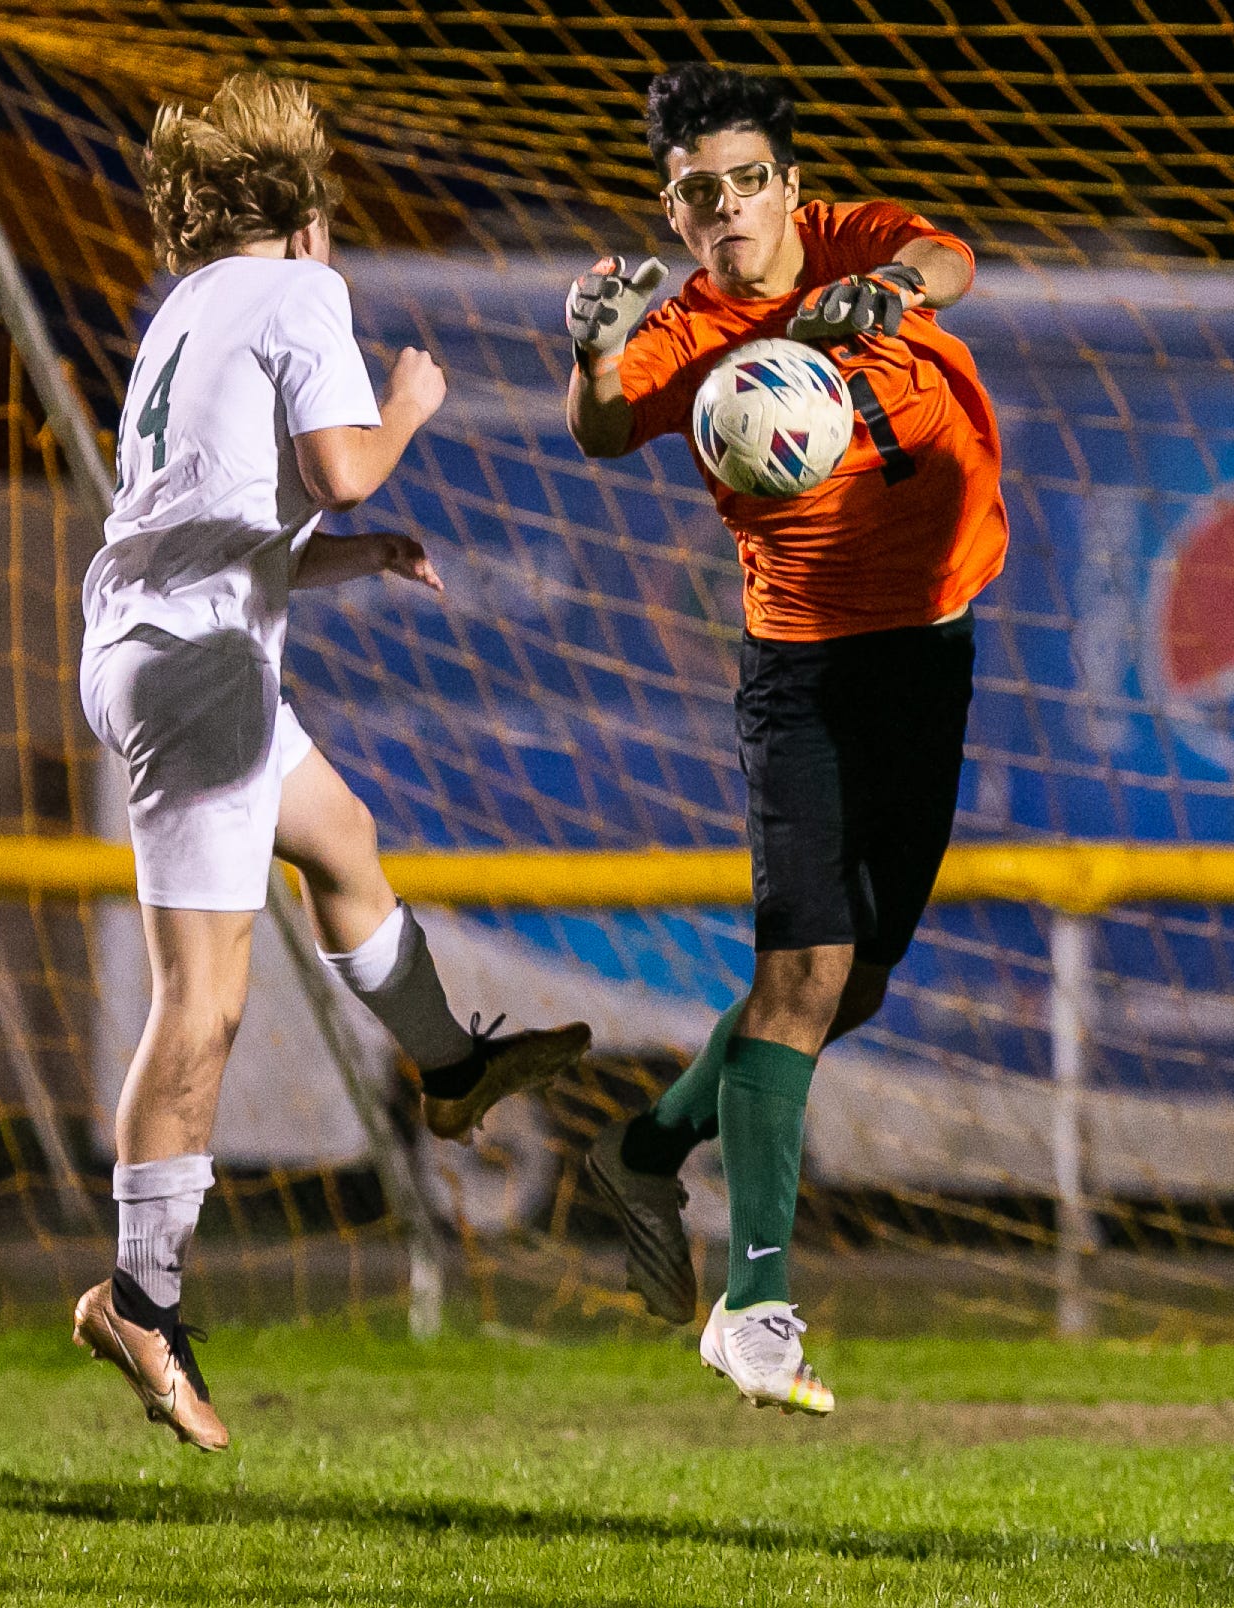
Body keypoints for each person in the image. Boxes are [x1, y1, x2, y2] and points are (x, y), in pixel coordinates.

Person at [71, 71, 589, 1452]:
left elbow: (226, 516)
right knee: (204, 1003)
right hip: (198, 672)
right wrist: (407, 404)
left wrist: (351, 559)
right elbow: (344, 465)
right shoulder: (303, 290)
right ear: (305, 213)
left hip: (157, 647)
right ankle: (140, 1299)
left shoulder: (182, 308)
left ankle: (449, 1067)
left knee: (342, 838)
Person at [562, 63, 1005, 1416]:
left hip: (927, 657)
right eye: (696, 192)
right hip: (802, 677)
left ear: (787, 188)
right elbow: (600, 430)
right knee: (801, 980)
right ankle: (753, 1309)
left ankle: (643, 1152)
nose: (725, 209)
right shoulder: (683, 329)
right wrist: (591, 353)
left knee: (845, 993)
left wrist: (897, 290)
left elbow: (950, 256)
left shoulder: (852, 243)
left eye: (745, 181)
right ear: (673, 210)